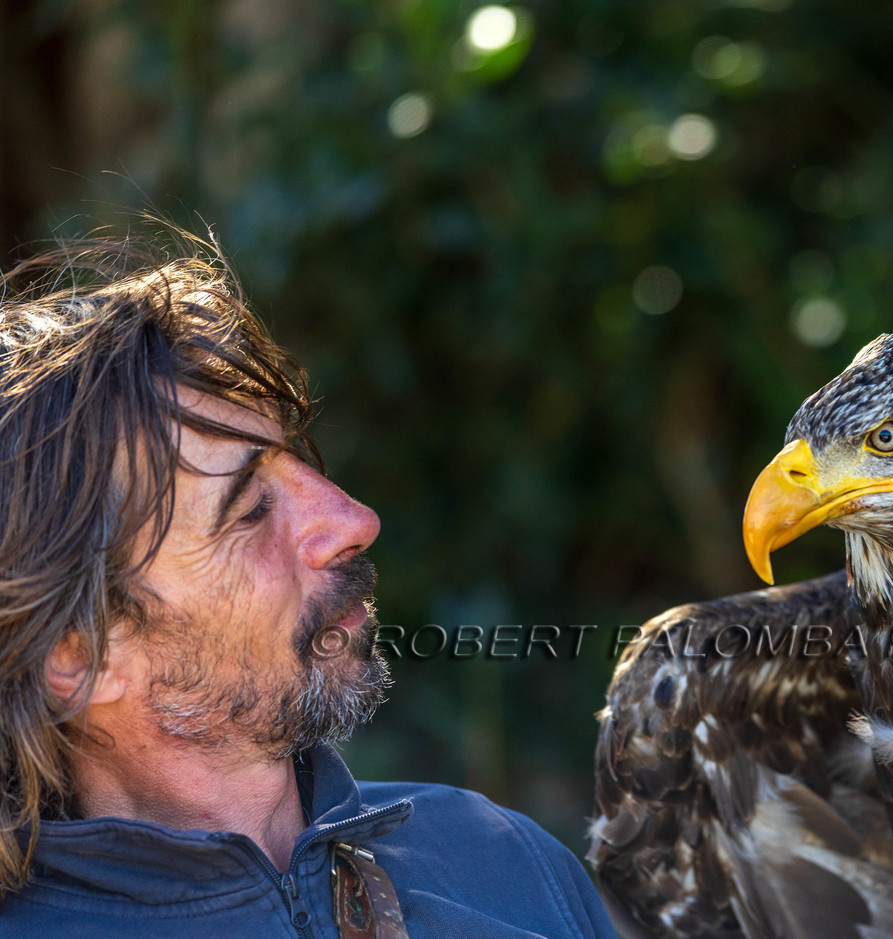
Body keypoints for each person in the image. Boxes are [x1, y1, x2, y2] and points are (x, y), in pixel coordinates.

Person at [0, 237, 615, 938]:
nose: (354, 519)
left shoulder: (509, 866)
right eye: (251, 508)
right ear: (80, 655)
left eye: (297, 457)